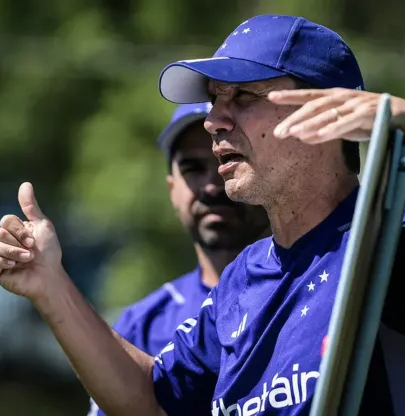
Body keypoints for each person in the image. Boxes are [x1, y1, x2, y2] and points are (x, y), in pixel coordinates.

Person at [0, 14, 405, 415]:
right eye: (214, 101)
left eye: (241, 97)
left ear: (325, 110)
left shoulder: (385, 240)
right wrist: (50, 286)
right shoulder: (245, 274)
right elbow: (151, 399)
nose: (214, 122)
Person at [86, 103, 270, 415]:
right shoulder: (140, 327)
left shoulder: (312, 286)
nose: (213, 186)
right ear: (172, 189)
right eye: (193, 169)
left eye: (228, 161)